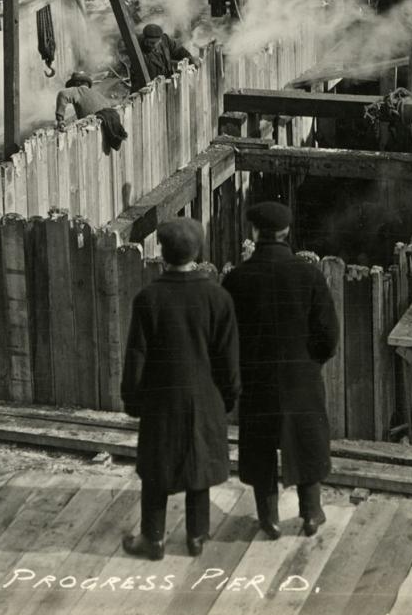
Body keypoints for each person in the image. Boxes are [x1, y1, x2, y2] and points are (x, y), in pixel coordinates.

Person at [120, 218, 240, 561]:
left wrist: (133, 400)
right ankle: (196, 536)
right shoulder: (218, 298)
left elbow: (136, 356)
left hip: (161, 400)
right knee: (198, 465)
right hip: (205, 399)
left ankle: (153, 538)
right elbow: (228, 359)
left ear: (162, 251)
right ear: (198, 252)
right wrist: (228, 398)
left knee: (156, 468)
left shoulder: (149, 298)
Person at [223, 201, 338, 540]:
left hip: (257, 378)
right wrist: (310, 361)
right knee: (306, 439)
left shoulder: (236, 279)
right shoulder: (309, 275)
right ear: (287, 233)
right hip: (301, 376)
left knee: (259, 444)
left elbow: (226, 336)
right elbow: (328, 335)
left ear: (255, 233)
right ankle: (311, 512)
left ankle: (268, 517)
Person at [56, 71, 128, 152]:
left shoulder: (78, 90)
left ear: (77, 83)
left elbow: (62, 94)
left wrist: (60, 120)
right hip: (104, 135)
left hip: (91, 135)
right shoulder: (98, 95)